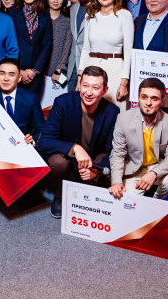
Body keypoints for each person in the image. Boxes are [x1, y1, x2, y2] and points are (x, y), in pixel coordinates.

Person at [38, 66, 119, 218]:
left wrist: (97, 170)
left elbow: (112, 150)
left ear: (104, 91)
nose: (89, 92)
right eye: (85, 85)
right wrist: (74, 148)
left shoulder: (112, 111)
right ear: (79, 85)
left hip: (91, 162)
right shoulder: (63, 102)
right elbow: (44, 141)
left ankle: (86, 191)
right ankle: (60, 196)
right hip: (68, 159)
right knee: (57, 162)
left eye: (95, 88)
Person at [108, 78, 168, 199]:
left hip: (158, 167)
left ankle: (156, 202)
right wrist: (116, 182)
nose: (148, 103)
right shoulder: (124, 119)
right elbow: (118, 153)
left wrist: (154, 173)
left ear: (162, 102)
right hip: (134, 169)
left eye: (154, 98)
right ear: (138, 98)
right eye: (144, 97)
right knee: (127, 200)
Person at [78, 0, 134, 110]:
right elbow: (86, 48)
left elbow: (128, 51)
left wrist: (124, 83)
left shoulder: (125, 16)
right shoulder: (90, 15)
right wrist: (80, 78)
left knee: (115, 114)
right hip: (91, 68)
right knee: (89, 113)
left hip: (115, 70)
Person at [7, 0, 52, 96]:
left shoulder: (45, 15)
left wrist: (34, 71)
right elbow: (7, 45)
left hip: (36, 74)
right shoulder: (11, 13)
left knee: (33, 106)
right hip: (15, 72)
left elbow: (47, 45)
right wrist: (19, 70)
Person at [0, 57, 44, 144]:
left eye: (11, 74)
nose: (6, 78)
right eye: (2, 74)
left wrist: (33, 141)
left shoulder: (30, 98)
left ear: (19, 78)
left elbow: (42, 130)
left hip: (23, 147)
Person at [65, 0, 96, 92]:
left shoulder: (99, 9)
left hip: (91, 67)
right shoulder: (73, 8)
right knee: (71, 102)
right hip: (73, 68)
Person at [44, 0, 72, 84]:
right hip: (39, 69)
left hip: (57, 71)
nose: (55, 1)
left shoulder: (68, 22)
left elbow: (66, 48)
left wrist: (58, 70)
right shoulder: (40, 19)